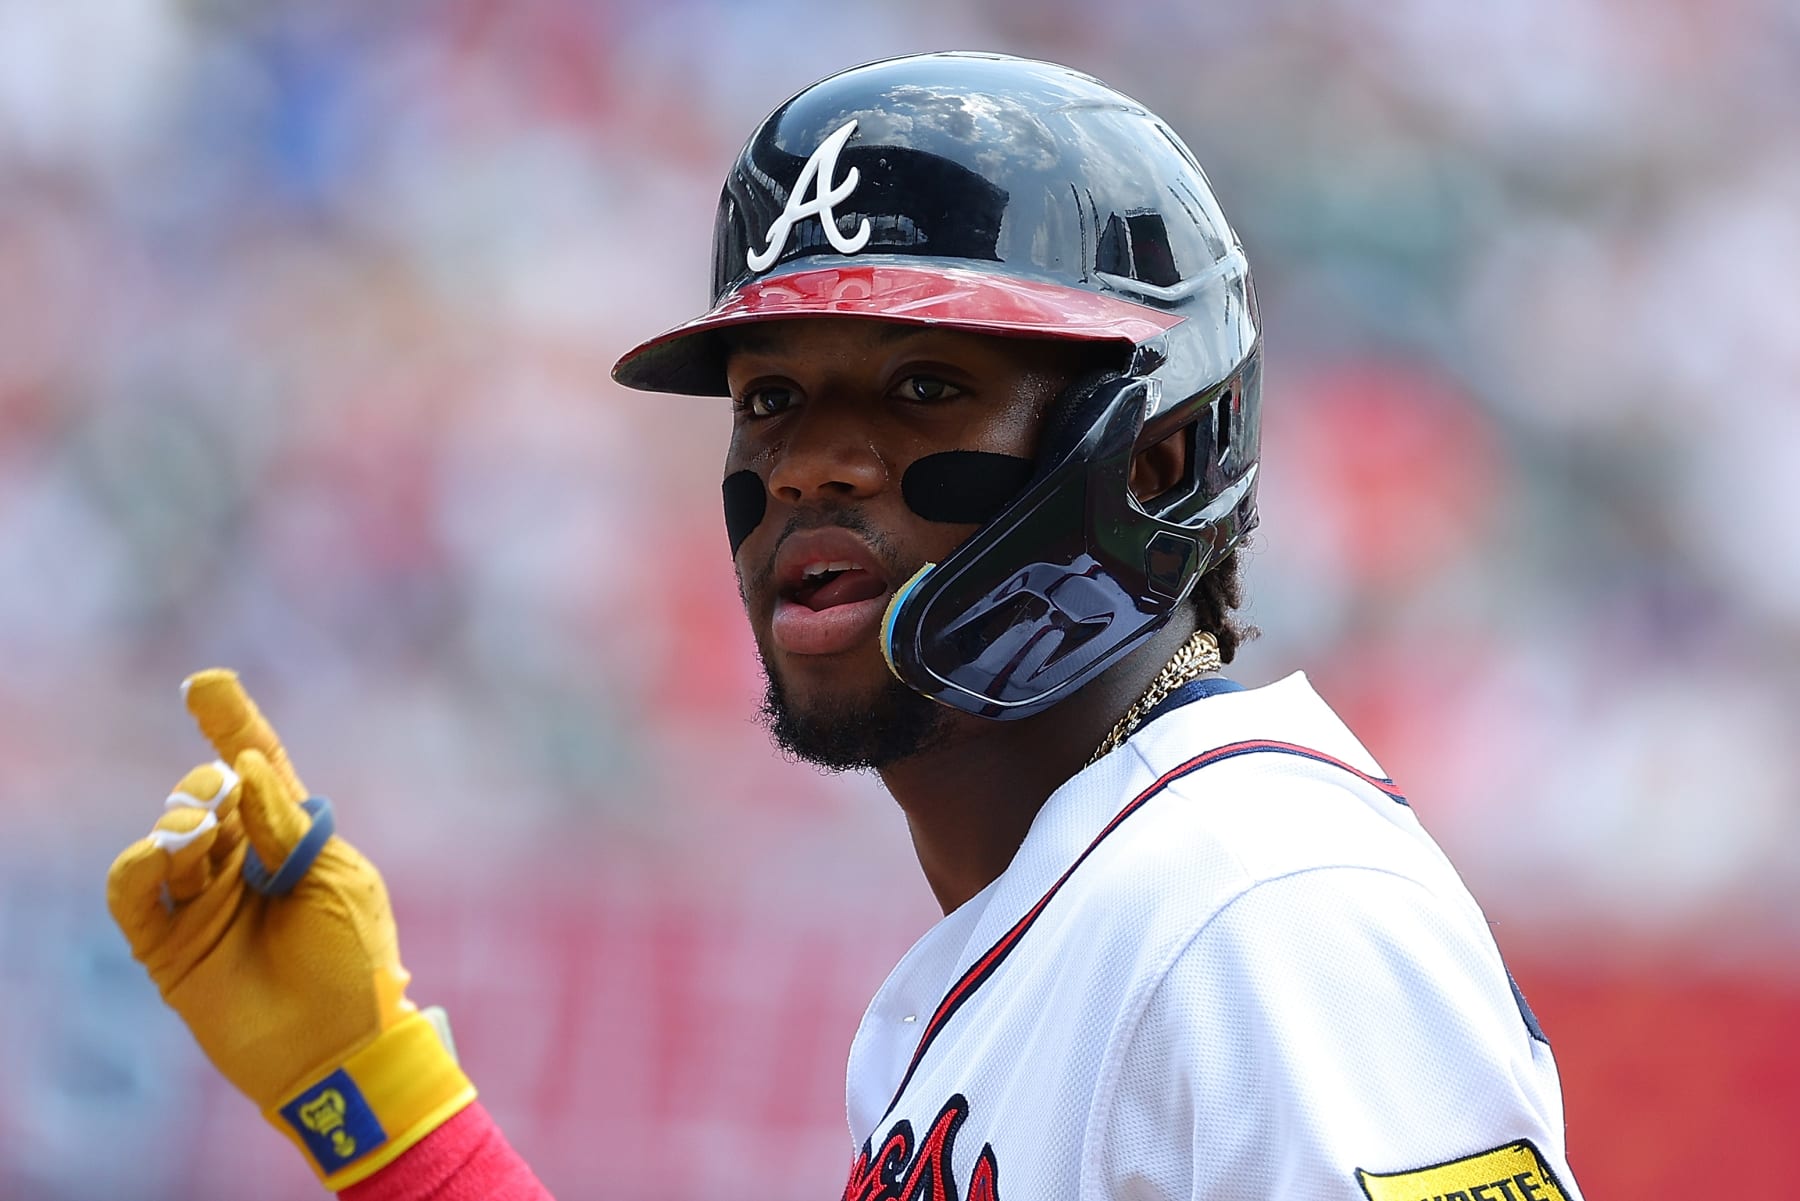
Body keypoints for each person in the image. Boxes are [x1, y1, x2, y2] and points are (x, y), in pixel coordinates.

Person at [106, 52, 1584, 1200]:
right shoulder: (1078, 910)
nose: (811, 462)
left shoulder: (1262, 909)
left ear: (1156, 456)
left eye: (924, 386)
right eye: (773, 398)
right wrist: (382, 1098)